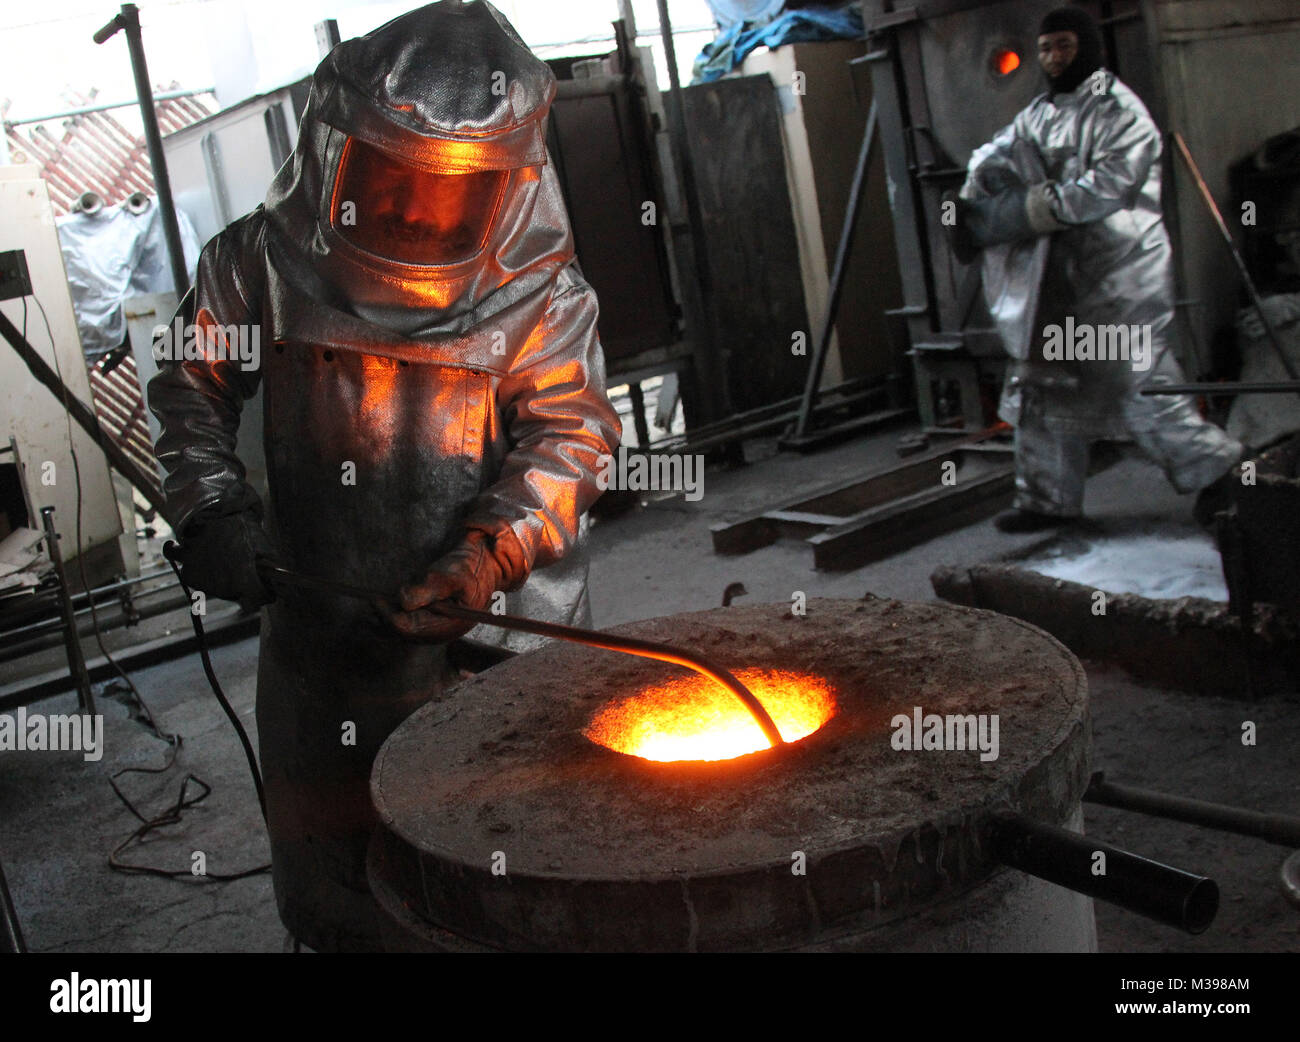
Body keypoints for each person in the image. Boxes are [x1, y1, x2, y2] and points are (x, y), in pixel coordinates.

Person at [147, 0, 620, 951]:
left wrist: (487, 557)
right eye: (389, 180)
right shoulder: (263, 261)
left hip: (497, 652)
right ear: (337, 153)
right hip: (324, 652)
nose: (407, 211)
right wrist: (208, 508)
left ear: (505, 188)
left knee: (513, 883)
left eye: (443, 193)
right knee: (341, 900)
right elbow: (191, 381)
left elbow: (571, 439)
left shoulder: (540, 297)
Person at [948, 5, 1243, 532]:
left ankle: (1219, 475)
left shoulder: (1119, 112)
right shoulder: (1040, 113)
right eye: (1045, 48)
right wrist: (972, 197)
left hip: (1118, 275)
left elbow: (1107, 188)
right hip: (1060, 278)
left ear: (1087, 46)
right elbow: (999, 152)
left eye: (1063, 45)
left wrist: (1032, 211)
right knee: (1044, 383)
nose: (1053, 57)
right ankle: (1046, 500)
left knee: (1138, 382)